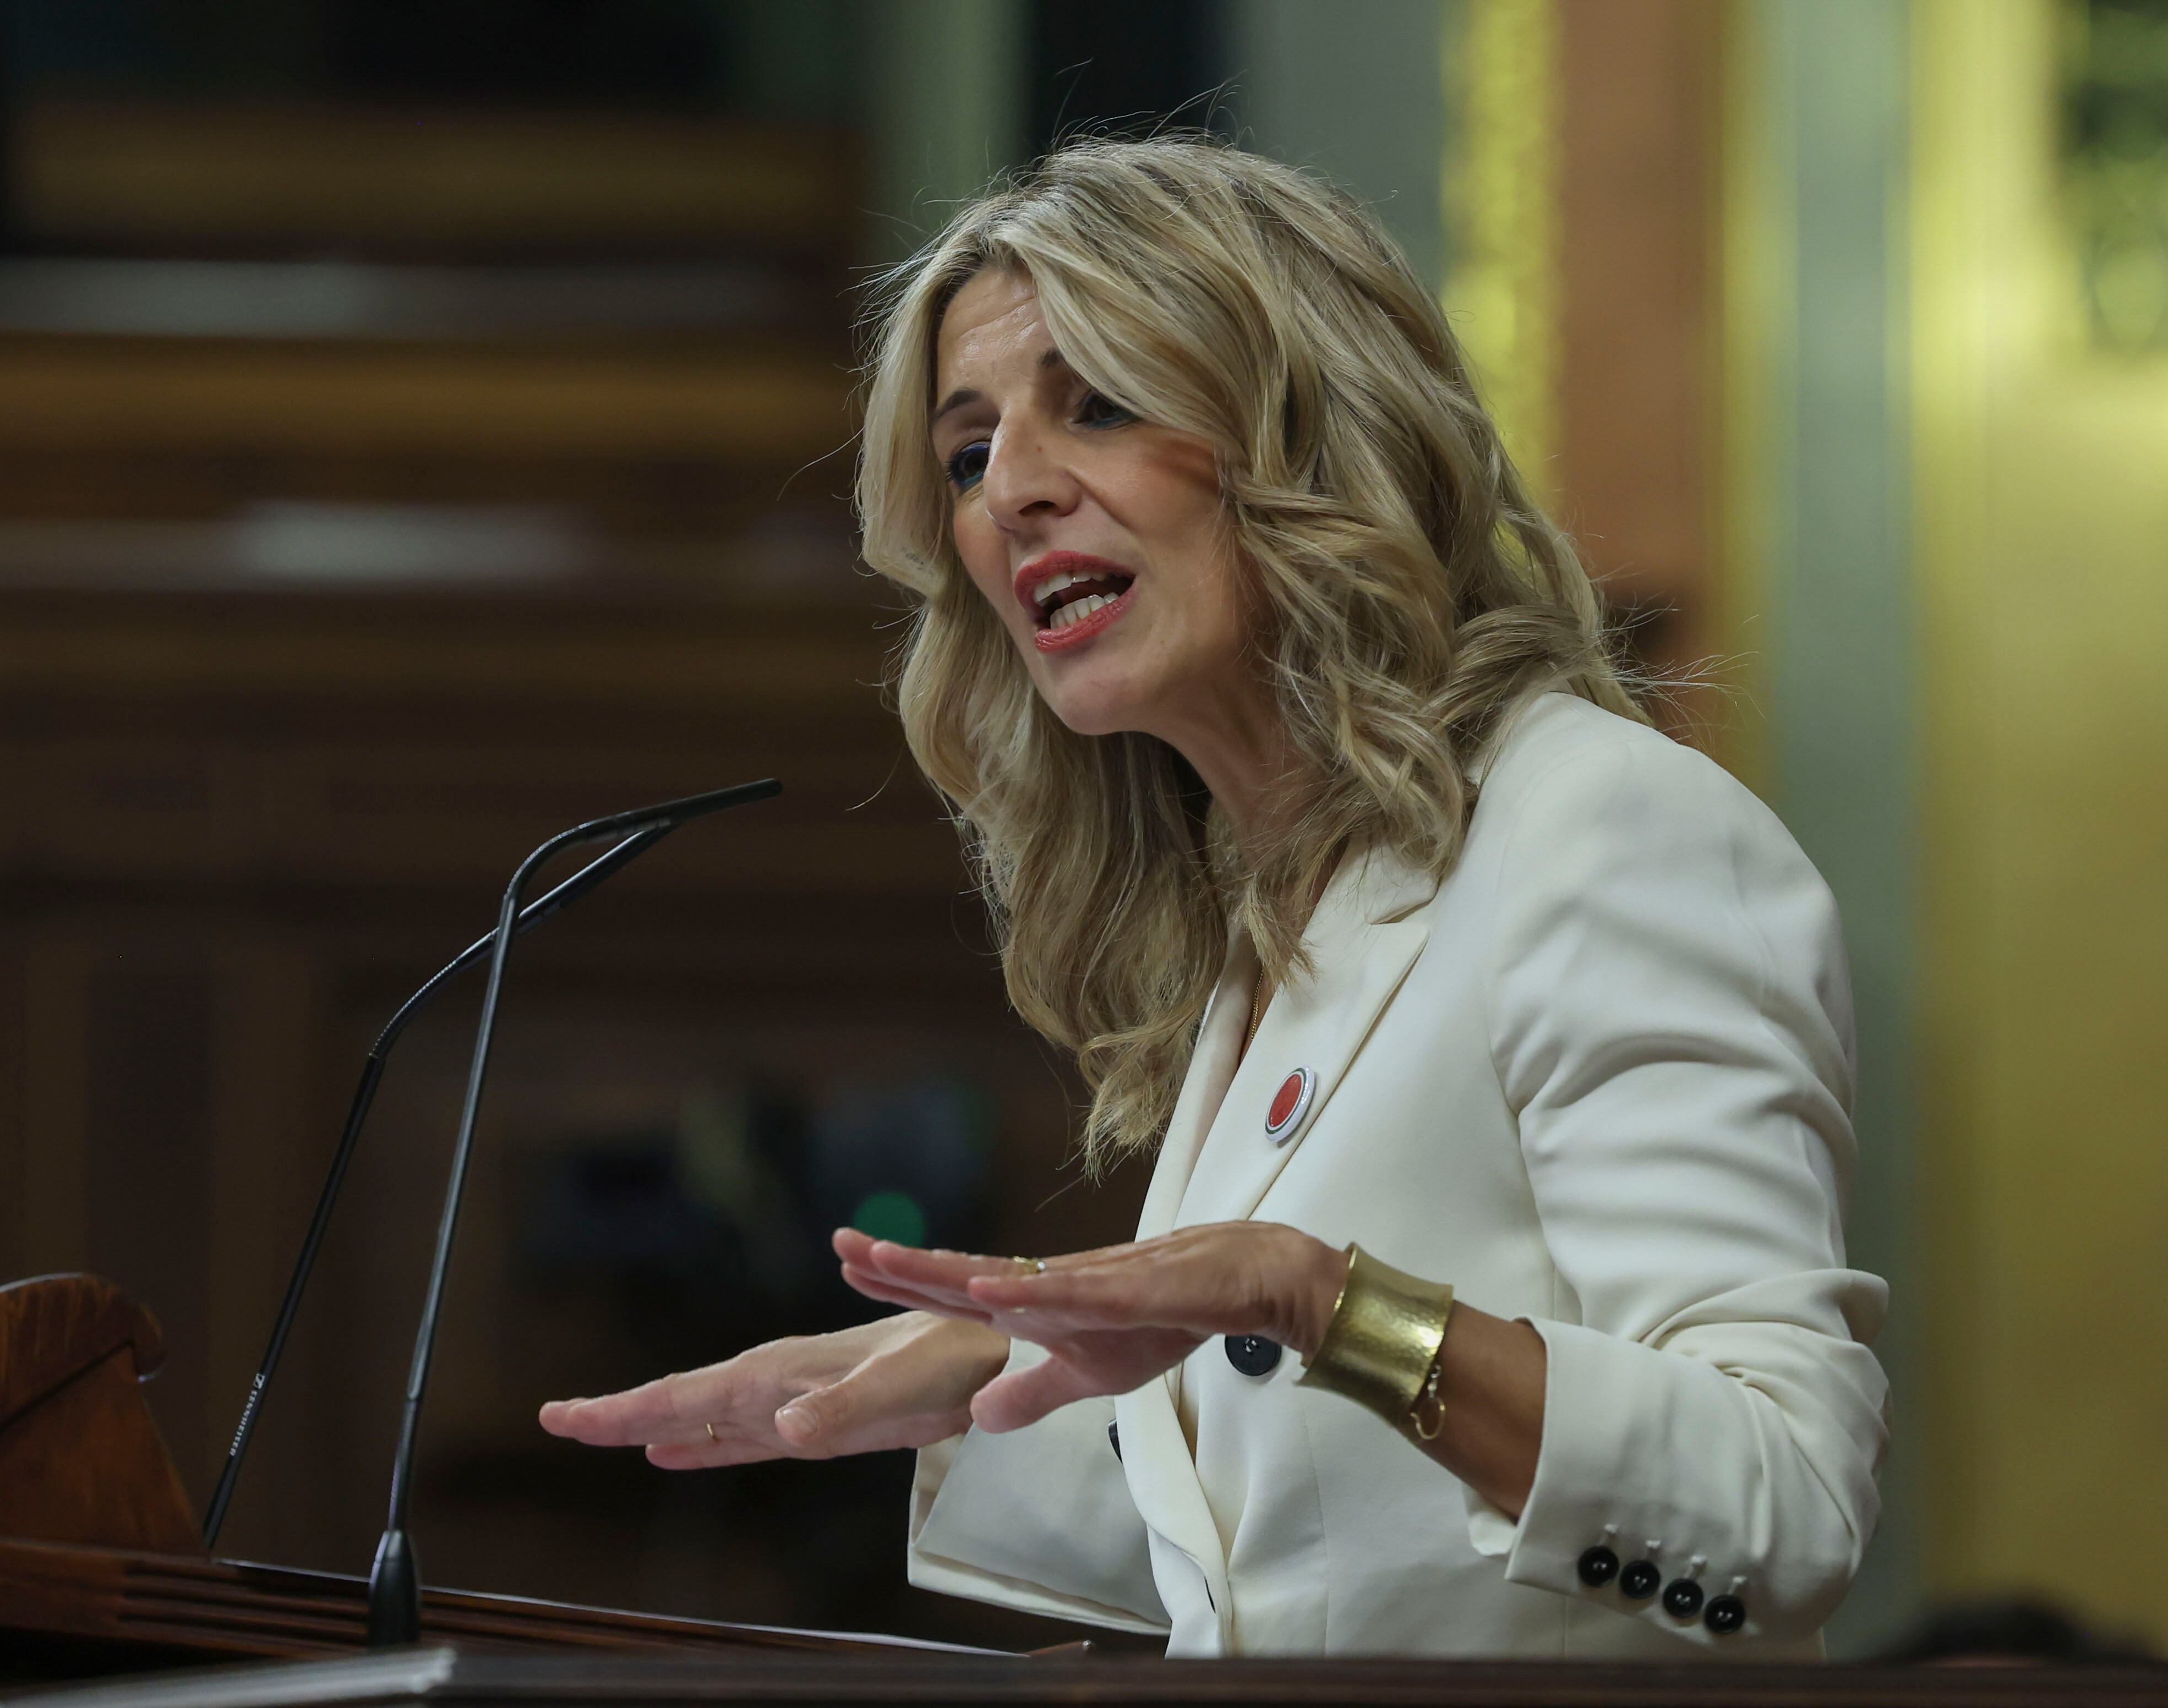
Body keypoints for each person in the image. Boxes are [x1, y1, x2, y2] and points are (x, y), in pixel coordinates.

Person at [541, 138, 1888, 1660]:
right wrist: (970, 1382)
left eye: (1098, 403)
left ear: (1306, 430)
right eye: (970, 453)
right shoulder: (1277, 927)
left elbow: (1779, 1516)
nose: (1016, 494)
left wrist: (1317, 1298)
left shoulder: (1604, 826)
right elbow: (1319, 1569)